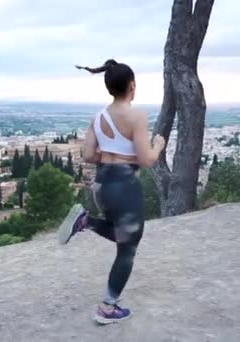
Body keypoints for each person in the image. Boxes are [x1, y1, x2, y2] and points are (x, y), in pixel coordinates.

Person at [57, 59, 165, 325]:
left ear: (109, 87)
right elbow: (146, 159)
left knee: (123, 237)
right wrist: (158, 145)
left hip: (102, 185)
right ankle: (108, 307)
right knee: (128, 248)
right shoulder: (137, 116)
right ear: (132, 86)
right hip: (124, 186)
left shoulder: (99, 117)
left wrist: (111, 154)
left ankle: (86, 221)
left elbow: (88, 155)